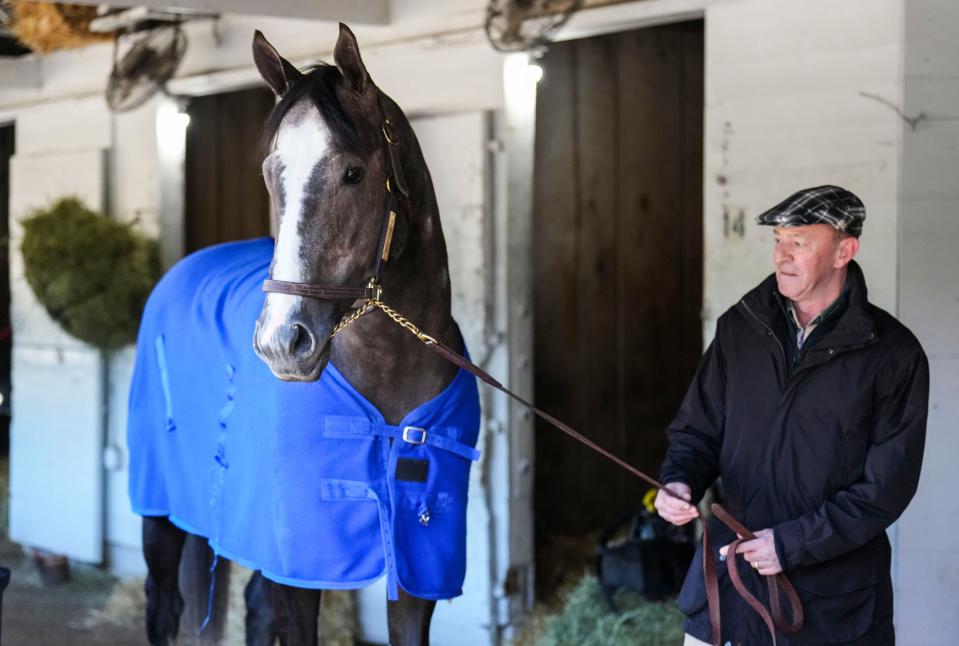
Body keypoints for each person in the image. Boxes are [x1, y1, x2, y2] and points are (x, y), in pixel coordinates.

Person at [654, 186, 928, 645]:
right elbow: (697, 431)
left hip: (831, 608)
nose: (782, 256)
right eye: (778, 240)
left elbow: (885, 488)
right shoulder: (740, 329)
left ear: (845, 250)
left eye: (799, 242)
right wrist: (679, 480)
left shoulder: (893, 355)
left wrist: (790, 545)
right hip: (728, 591)